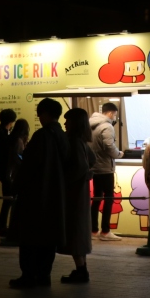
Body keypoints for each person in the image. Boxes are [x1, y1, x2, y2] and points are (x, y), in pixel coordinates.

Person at [11, 99, 68, 289]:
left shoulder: (41, 136)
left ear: (44, 113)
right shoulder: (63, 136)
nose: (38, 116)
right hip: (56, 197)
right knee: (48, 240)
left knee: (29, 238)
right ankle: (44, 276)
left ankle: (28, 276)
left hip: (35, 195)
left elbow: (28, 166)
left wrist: (16, 186)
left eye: (39, 112)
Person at [59, 108, 95, 283]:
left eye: (68, 121)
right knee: (79, 230)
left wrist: (64, 180)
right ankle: (82, 268)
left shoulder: (72, 141)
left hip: (74, 194)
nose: (65, 123)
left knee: (75, 231)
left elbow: (80, 167)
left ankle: (81, 270)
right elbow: (91, 161)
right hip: (81, 193)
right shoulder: (82, 141)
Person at [89, 103, 124, 241]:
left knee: (97, 198)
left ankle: (93, 230)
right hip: (105, 168)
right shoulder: (107, 126)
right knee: (109, 198)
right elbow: (109, 146)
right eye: (115, 115)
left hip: (94, 167)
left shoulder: (90, 125)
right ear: (110, 113)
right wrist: (119, 154)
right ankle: (105, 231)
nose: (115, 117)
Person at [0, 108, 18, 236]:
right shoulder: (3, 136)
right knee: (9, 197)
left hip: (1, 170)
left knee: (8, 197)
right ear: (11, 121)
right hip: (5, 171)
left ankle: (2, 224)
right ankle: (2, 224)